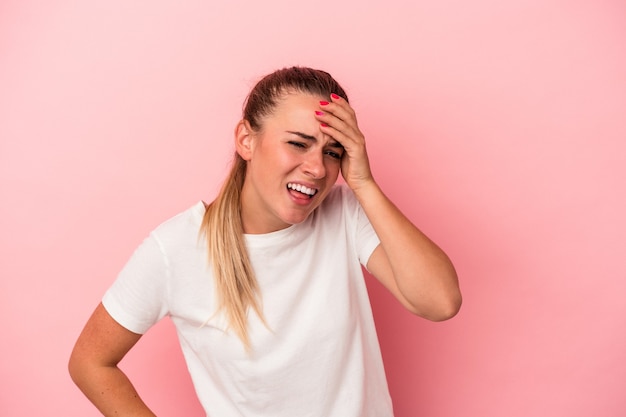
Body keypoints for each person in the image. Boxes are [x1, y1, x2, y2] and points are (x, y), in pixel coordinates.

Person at [68, 66, 462, 417]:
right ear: (246, 139)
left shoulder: (346, 214)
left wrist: (363, 182)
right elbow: (90, 361)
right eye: (298, 142)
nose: (317, 168)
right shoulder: (176, 248)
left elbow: (440, 302)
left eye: (333, 152)